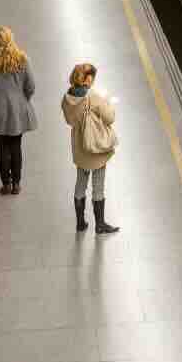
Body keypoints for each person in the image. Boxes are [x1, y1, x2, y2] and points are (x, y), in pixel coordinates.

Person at [0, 27, 37, 195]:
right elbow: (31, 86)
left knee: (1, 147)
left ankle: (6, 183)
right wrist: (22, 99)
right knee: (16, 146)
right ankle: (17, 183)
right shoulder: (23, 60)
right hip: (17, 108)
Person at [61, 63, 120, 234]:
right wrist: (107, 102)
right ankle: (100, 224)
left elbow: (69, 120)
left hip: (80, 146)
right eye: (92, 77)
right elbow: (110, 118)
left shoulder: (67, 98)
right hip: (96, 148)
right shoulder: (92, 97)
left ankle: (80, 223)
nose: (93, 81)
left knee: (80, 183)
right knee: (98, 186)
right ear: (86, 79)